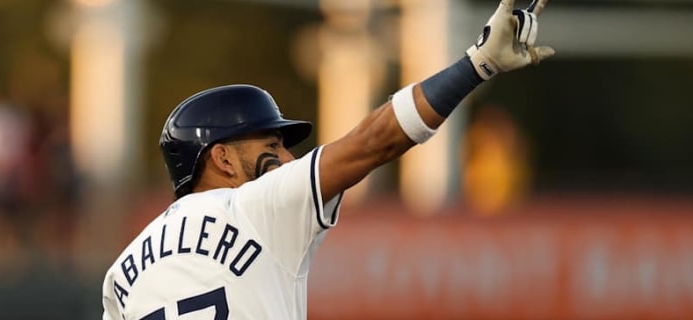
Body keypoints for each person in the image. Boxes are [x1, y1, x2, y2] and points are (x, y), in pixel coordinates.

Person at [102, 0, 554, 319]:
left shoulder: (121, 273)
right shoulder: (256, 207)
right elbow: (375, 140)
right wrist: (476, 66)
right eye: (270, 144)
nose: (285, 154)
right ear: (220, 157)